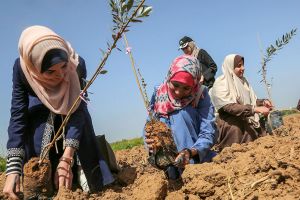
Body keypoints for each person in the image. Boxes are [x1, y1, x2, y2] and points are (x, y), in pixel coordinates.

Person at [3, 25, 114, 199]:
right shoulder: (22, 69)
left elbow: (77, 110)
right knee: (39, 177)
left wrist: (67, 157)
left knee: (91, 177)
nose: (61, 75)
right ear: (34, 68)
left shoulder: (77, 64)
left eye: (63, 66)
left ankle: (79, 168)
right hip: (39, 121)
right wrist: (13, 166)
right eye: (50, 71)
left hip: (73, 119)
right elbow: (18, 114)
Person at [144, 54, 217, 179]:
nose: (178, 92)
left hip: (195, 161)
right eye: (175, 85)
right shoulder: (158, 93)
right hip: (167, 165)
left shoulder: (201, 94)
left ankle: (190, 173)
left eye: (186, 88)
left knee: (182, 114)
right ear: (169, 77)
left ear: (194, 84)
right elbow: (149, 125)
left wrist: (190, 152)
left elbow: (208, 131)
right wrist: (150, 142)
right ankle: (172, 173)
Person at [209, 54, 273, 151]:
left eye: (243, 65)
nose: (243, 68)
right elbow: (228, 107)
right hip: (229, 120)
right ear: (230, 66)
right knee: (236, 127)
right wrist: (254, 109)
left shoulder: (243, 82)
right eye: (239, 66)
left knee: (260, 126)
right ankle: (231, 154)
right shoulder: (221, 82)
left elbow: (252, 100)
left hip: (246, 115)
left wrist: (263, 102)